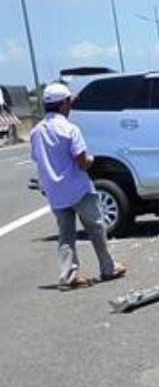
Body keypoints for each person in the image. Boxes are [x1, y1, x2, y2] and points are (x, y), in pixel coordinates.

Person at [30, 82, 126, 290]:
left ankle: (69, 275)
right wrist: (92, 160)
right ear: (63, 104)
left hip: (54, 191)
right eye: (69, 102)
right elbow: (82, 161)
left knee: (66, 235)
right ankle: (108, 268)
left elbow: (37, 160)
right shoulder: (70, 129)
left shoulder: (36, 132)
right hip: (78, 188)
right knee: (96, 228)